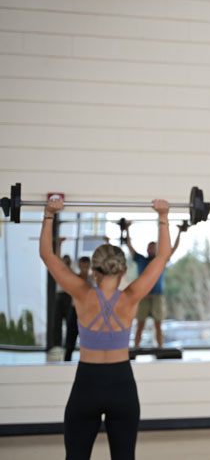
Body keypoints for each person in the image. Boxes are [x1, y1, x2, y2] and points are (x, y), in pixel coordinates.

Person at [39, 196, 171, 460]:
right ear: (122, 271)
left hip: (87, 385)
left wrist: (49, 213)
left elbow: (47, 255)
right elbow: (163, 256)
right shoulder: (131, 297)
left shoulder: (81, 293)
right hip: (122, 386)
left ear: (94, 271)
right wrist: (163, 217)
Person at [124, 223, 183, 349]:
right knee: (140, 325)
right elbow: (129, 245)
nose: (151, 250)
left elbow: (173, 248)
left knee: (158, 325)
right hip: (143, 296)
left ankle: (160, 349)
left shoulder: (160, 261)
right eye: (150, 248)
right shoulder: (140, 259)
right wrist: (127, 229)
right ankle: (135, 349)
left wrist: (179, 232)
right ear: (147, 249)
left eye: (154, 248)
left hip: (157, 297)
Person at [64, 256, 93, 362]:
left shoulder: (93, 280)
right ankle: (66, 363)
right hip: (75, 311)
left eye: (86, 267)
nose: (84, 269)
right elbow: (63, 269)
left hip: (87, 313)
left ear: (89, 267)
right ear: (79, 267)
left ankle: (89, 363)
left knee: (87, 343)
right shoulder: (74, 279)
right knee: (70, 343)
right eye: (82, 267)